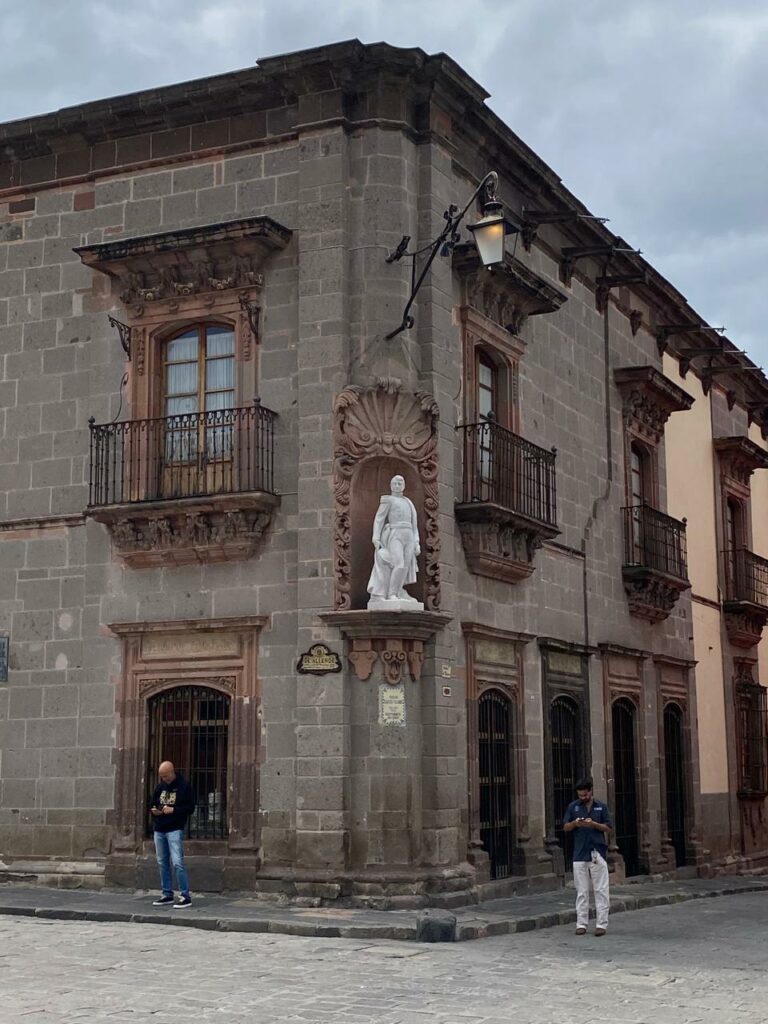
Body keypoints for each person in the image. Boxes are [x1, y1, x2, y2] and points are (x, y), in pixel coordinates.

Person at [563, 777, 612, 935]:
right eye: (580, 795)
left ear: (590, 791)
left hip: (597, 851)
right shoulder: (573, 807)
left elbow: (608, 827)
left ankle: (601, 924)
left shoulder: (601, 807)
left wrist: (594, 825)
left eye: (585, 795)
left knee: (601, 890)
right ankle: (581, 923)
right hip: (579, 853)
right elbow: (566, 827)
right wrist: (576, 823)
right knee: (582, 891)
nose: (583, 798)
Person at [367, 474, 421, 605]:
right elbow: (379, 519)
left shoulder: (408, 502)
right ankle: (391, 594)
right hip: (395, 533)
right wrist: (376, 537)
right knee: (399, 563)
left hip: (408, 534)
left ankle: (398, 590)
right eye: (395, 484)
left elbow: (415, 525)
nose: (397, 486)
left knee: (406, 566)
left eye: (400, 484)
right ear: (391, 485)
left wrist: (416, 542)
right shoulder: (388, 500)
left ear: (404, 486)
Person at [149, 760, 195, 908]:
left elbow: (190, 807)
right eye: (162, 777)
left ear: (172, 771)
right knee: (162, 862)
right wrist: (154, 810)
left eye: (166, 776)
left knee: (177, 862)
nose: (164, 779)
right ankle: (167, 893)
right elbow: (153, 802)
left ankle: (185, 895)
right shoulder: (160, 787)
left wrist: (174, 810)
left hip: (175, 828)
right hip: (160, 828)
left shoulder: (184, 786)